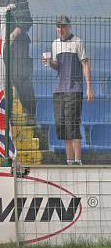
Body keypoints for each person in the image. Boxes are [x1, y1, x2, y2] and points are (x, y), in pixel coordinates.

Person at [45, 15, 94, 165]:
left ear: (69, 27)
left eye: (64, 26)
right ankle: (69, 161)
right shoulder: (54, 44)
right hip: (58, 90)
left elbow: (85, 64)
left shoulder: (77, 42)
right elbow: (56, 66)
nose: (61, 29)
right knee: (63, 126)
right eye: (59, 26)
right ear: (56, 28)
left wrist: (89, 88)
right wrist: (48, 62)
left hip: (74, 89)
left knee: (73, 124)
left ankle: (78, 161)